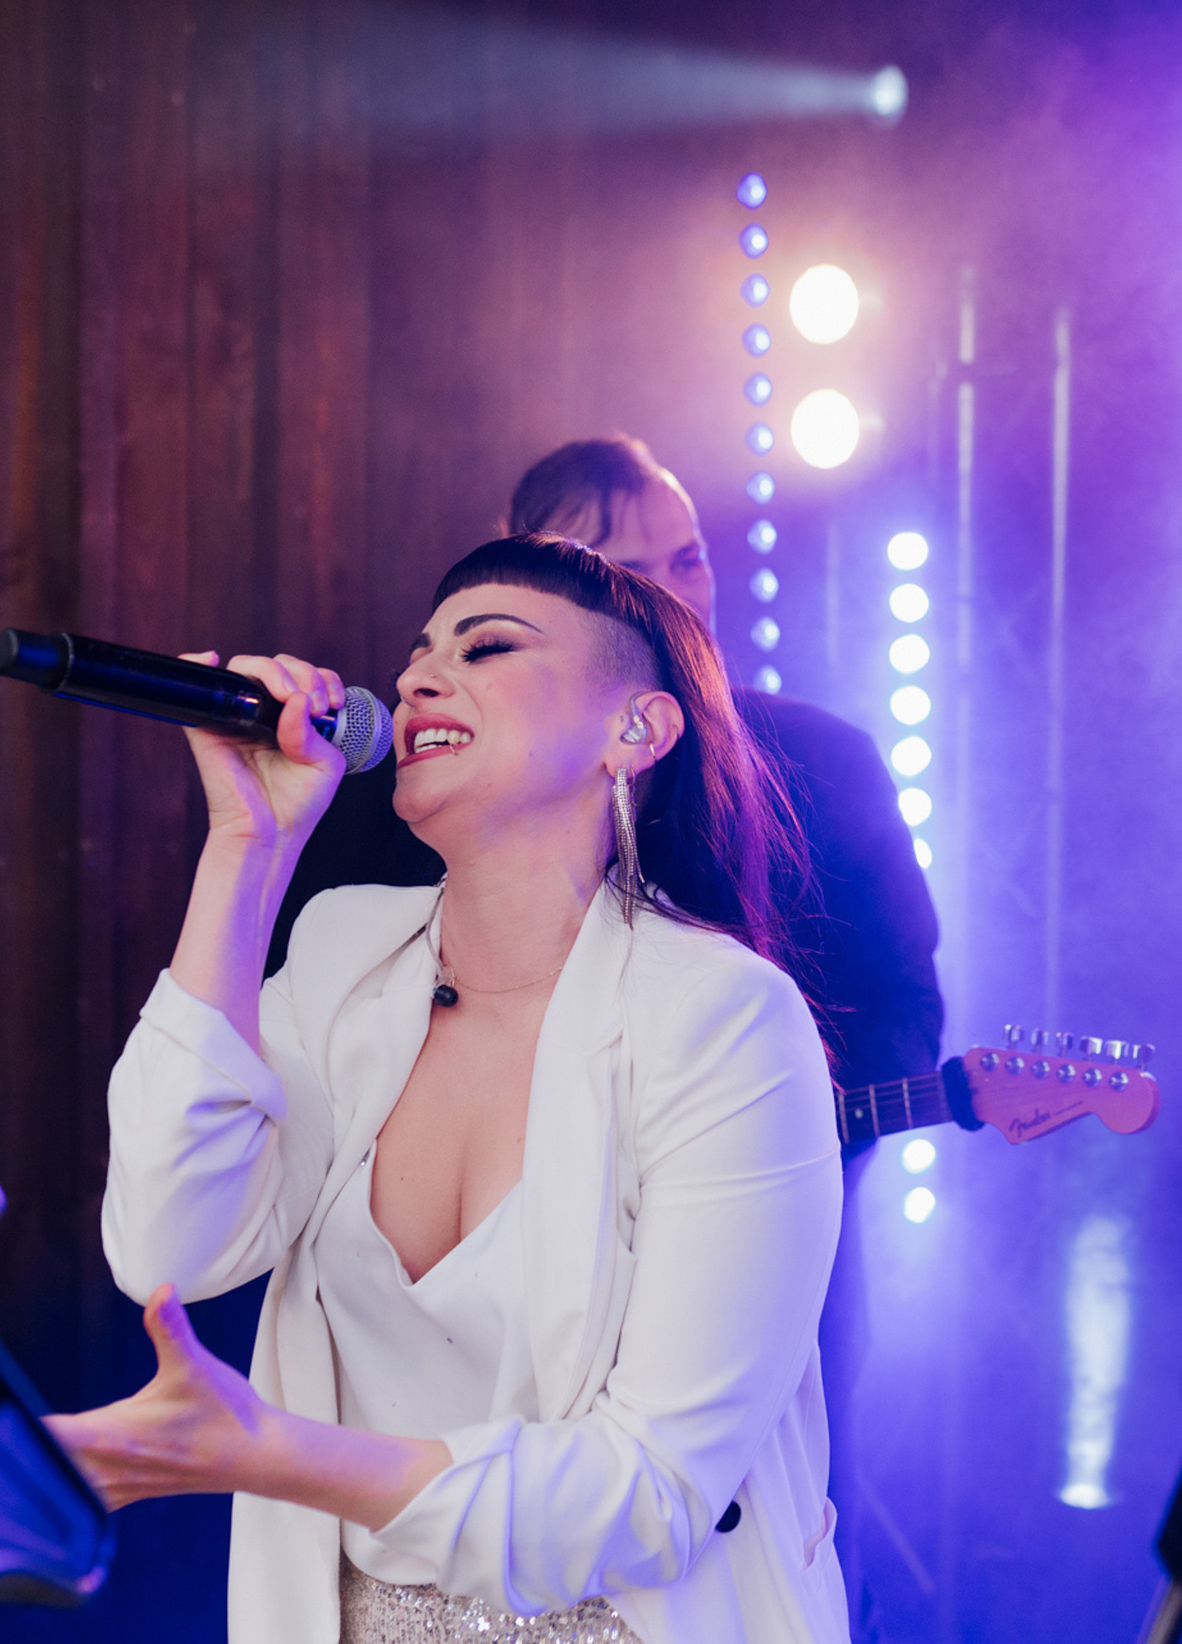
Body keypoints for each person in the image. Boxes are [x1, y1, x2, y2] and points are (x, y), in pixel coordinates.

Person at [48, 536, 850, 1644]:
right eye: (419, 653)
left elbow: (651, 1495)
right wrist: (249, 847)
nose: (419, 676)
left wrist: (271, 1455)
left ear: (637, 729)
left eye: (487, 646)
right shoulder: (341, 954)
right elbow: (167, 1255)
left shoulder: (721, 1020)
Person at [274, 436, 941, 1638]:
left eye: (687, 559)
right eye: (615, 567)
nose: (673, 592)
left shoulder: (817, 776)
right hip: (427, 1416)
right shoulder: (382, 861)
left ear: (639, 728)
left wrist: (737, 1142)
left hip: (737, 1210)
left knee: (752, 1500)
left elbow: (899, 1002)